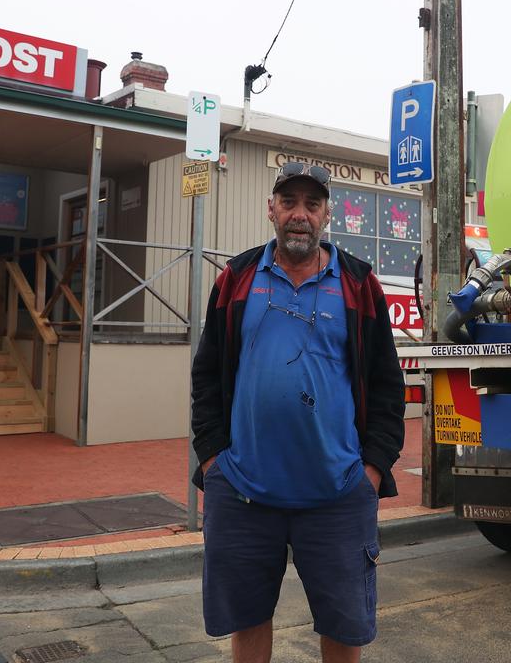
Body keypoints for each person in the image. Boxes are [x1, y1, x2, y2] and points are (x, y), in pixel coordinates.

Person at [191, 161, 406, 662]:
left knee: (344, 629)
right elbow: (207, 375)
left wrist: (370, 471)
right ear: (272, 210)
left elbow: (386, 385)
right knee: (247, 620)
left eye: (312, 204)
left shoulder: (357, 284)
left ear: (327, 213)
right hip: (244, 491)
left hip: (336, 495)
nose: (299, 215)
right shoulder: (238, 279)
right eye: (289, 202)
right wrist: (212, 462)